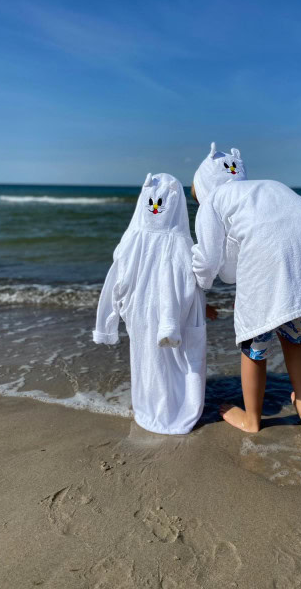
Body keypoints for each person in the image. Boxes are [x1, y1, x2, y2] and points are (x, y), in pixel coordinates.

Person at [191, 146, 301, 432]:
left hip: (268, 263)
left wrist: (200, 283)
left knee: (254, 345)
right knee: (294, 337)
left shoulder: (213, 201)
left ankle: (252, 419)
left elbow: (210, 257)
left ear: (205, 186)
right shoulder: (268, 187)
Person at [93, 173, 207, 435]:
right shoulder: (180, 240)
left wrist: (107, 324)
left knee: (149, 361)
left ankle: (150, 408)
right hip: (179, 311)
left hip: (140, 311)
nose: (156, 208)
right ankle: (179, 412)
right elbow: (194, 278)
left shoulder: (133, 239)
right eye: (152, 202)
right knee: (181, 361)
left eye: (160, 203)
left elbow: (115, 280)